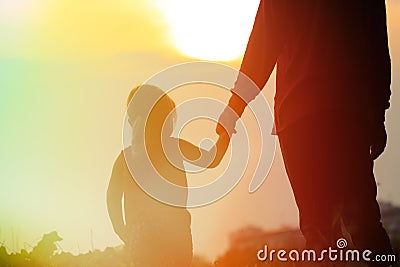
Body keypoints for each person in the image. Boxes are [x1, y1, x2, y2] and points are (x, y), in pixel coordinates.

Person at [217, 0, 396, 266]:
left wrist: (231, 114)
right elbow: (378, 48)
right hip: (348, 113)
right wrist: (378, 114)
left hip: (299, 116)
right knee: (364, 224)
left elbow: (260, 51)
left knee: (318, 229)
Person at [107, 85, 229, 267]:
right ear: (166, 119)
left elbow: (112, 197)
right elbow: (212, 160)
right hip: (176, 235)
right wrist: (226, 131)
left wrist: (121, 229)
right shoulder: (174, 147)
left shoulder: (125, 158)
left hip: (140, 240)